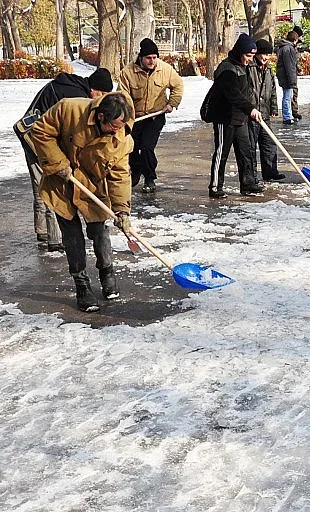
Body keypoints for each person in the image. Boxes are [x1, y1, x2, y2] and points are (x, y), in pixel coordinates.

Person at [27, 92, 135, 312]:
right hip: (61, 181)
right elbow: (40, 131)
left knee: (99, 231)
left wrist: (122, 210)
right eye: (114, 125)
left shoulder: (122, 139)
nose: (118, 130)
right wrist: (58, 164)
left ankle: (107, 272)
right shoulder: (69, 109)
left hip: (93, 186)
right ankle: (82, 285)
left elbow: (121, 175)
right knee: (72, 236)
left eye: (121, 125)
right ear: (101, 116)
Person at [14, 68, 113, 252]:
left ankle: (42, 231)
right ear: (95, 89)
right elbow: (68, 135)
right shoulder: (76, 99)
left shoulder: (72, 85)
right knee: (53, 185)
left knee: (40, 185)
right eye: (103, 94)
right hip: (38, 139)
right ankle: (54, 239)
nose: (103, 100)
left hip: (30, 133)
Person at [118, 38, 184, 194]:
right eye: (148, 58)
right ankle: (135, 171)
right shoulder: (127, 72)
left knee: (147, 147)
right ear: (141, 57)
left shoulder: (165, 70)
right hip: (135, 117)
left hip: (156, 116)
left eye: (154, 58)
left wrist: (172, 103)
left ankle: (149, 177)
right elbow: (123, 95)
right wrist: (128, 114)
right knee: (132, 147)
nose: (152, 61)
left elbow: (178, 85)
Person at [206, 34, 265, 198]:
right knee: (221, 153)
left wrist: (251, 109)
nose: (250, 60)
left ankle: (247, 183)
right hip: (225, 117)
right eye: (248, 56)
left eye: (252, 56)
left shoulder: (245, 66)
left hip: (241, 117)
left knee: (246, 151)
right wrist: (250, 108)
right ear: (239, 52)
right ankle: (215, 186)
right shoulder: (227, 68)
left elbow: (247, 92)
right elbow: (233, 94)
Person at [248, 38, 286, 182]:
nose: (265, 57)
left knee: (269, 143)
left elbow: (273, 90)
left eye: (268, 55)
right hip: (251, 114)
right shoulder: (249, 67)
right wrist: (250, 108)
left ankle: (270, 172)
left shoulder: (269, 69)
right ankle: (251, 176)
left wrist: (274, 107)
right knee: (250, 146)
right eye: (262, 54)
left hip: (264, 113)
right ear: (256, 53)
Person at [276, 31, 300, 125]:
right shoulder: (288, 49)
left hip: (283, 75)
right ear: (295, 39)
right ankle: (287, 116)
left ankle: (288, 115)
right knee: (287, 96)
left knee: (288, 96)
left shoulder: (284, 48)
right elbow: (289, 66)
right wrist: (292, 81)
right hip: (286, 76)